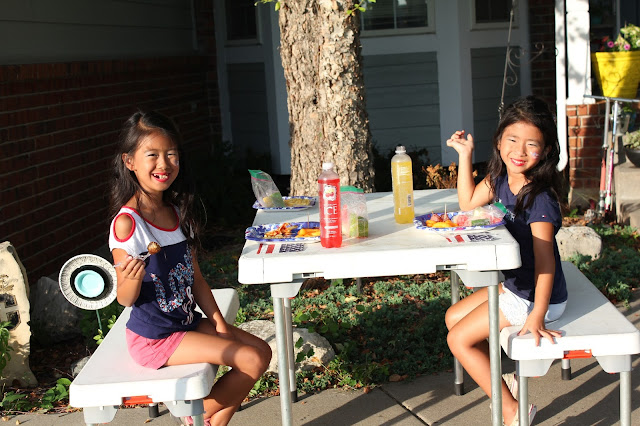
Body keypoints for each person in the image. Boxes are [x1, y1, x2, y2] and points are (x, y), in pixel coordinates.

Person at [108, 110, 271, 426]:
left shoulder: (176, 212)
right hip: (155, 338)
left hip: (185, 323)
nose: (164, 164)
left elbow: (196, 279)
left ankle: (201, 421)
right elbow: (125, 299)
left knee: (261, 351)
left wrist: (219, 324)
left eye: (171, 154)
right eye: (152, 155)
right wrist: (130, 279)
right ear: (129, 161)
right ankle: (192, 417)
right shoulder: (128, 224)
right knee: (250, 359)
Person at [444, 96, 568, 426]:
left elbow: (546, 263)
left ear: (545, 151)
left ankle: (513, 411)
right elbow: (468, 203)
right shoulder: (500, 179)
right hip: (516, 286)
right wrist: (465, 156)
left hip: (536, 298)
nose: (519, 151)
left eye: (531, 144)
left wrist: (538, 315)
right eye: (512, 140)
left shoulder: (539, 199)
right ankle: (504, 384)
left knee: (458, 340)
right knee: (453, 317)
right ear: (499, 141)